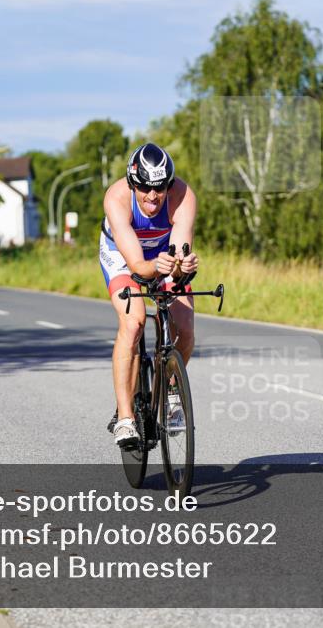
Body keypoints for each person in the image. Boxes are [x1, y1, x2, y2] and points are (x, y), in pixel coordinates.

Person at [100, 143, 198, 446]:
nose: (153, 196)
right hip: (123, 255)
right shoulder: (117, 198)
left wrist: (184, 267)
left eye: (160, 188)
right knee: (134, 322)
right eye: (144, 188)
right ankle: (126, 417)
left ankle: (168, 387)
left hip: (162, 254)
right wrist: (154, 267)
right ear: (133, 183)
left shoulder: (182, 195)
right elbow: (138, 267)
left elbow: (179, 257)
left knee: (186, 328)